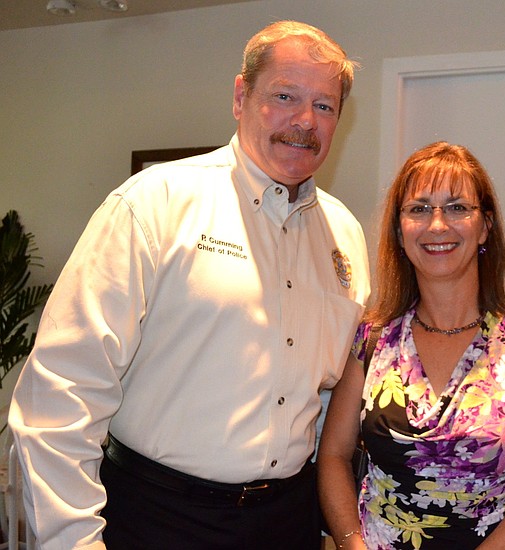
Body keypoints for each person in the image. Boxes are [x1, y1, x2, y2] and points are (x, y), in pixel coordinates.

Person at [8, 20, 369, 550]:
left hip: (285, 523)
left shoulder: (345, 237)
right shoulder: (154, 204)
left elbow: (326, 408)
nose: (304, 121)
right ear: (241, 97)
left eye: (324, 105)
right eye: (285, 96)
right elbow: (61, 396)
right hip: (156, 518)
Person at [317, 142, 505, 549]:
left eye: (457, 207)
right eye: (419, 209)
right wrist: (352, 542)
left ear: (485, 226)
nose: (438, 224)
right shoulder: (372, 340)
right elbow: (333, 455)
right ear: (399, 231)